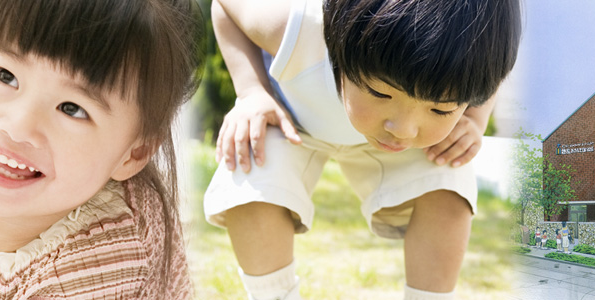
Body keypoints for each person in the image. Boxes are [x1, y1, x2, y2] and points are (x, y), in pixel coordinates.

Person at [0, 0, 203, 298]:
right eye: (5, 75)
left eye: (72, 108)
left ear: (135, 154)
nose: (18, 127)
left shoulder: (98, 266)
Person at [204, 0, 521, 298]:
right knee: (251, 161)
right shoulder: (294, 26)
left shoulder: (473, 52)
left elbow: (492, 76)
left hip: (392, 152)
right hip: (291, 120)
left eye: (440, 110)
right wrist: (251, 91)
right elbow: (224, 6)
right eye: (381, 93)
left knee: (449, 177)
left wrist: (475, 120)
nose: (404, 129)